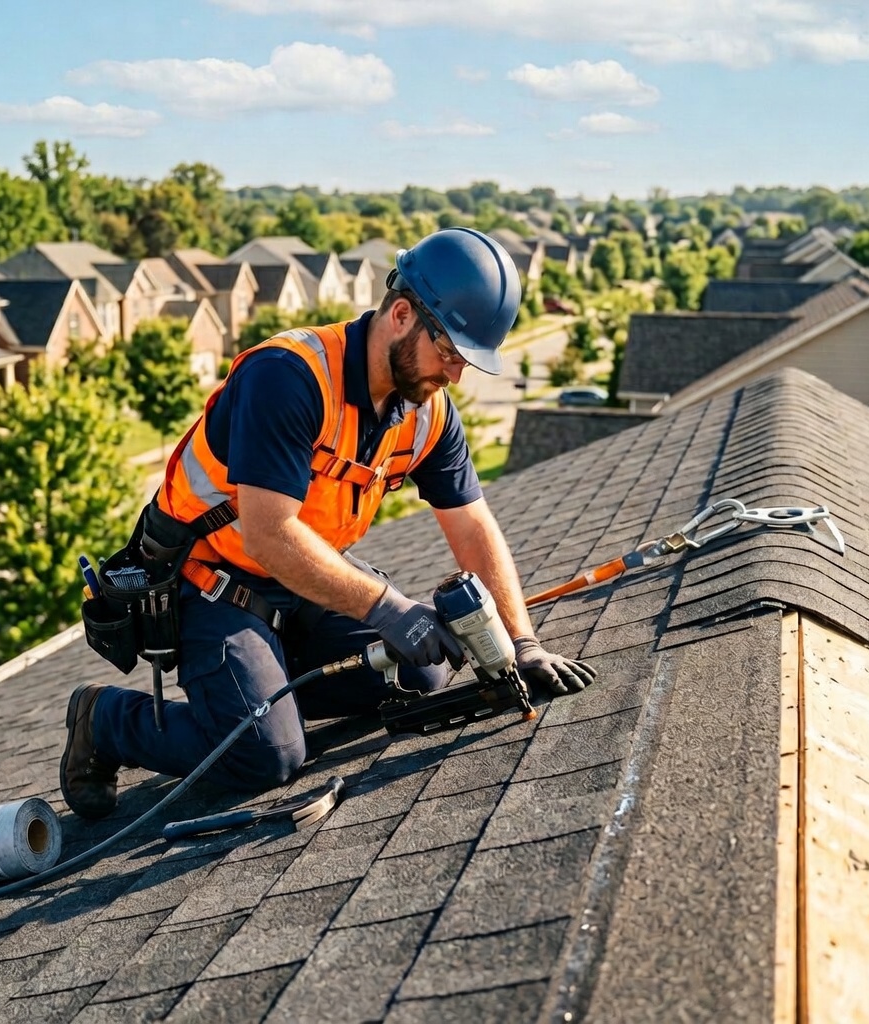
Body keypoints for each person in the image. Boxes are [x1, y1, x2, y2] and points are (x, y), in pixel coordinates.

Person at [60, 227, 596, 820]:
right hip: (213, 579)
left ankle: (262, 678)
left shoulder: (427, 415)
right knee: (267, 755)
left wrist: (523, 643)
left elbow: (472, 526)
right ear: (400, 315)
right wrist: (389, 609)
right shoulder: (288, 377)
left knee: (425, 669)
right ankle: (104, 719)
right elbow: (268, 534)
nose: (455, 376)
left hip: (304, 581)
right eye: (449, 354)